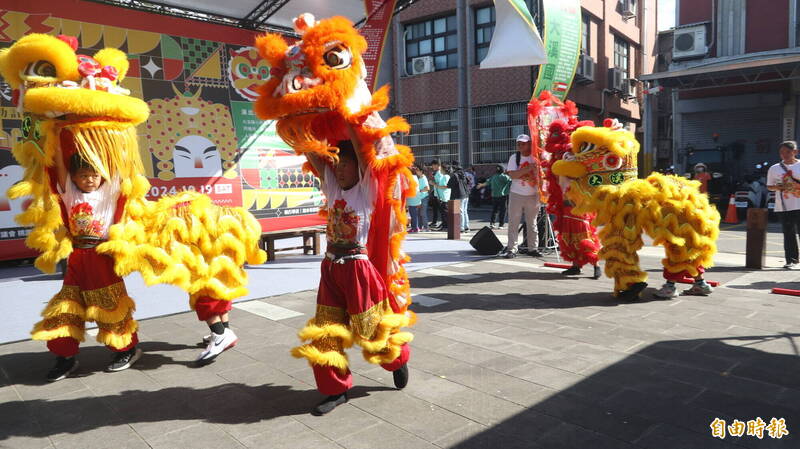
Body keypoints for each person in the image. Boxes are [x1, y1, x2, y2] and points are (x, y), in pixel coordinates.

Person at [297, 133, 411, 416]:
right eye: (337, 164)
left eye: (345, 164)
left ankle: (397, 360)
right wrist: (298, 127)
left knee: (371, 329)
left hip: (359, 270)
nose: (340, 169)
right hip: (331, 269)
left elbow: (364, 157)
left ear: (358, 168)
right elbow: (314, 157)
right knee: (325, 331)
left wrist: (350, 114)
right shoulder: (333, 188)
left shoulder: (367, 190)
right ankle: (336, 389)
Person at [32, 147, 141, 381]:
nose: (90, 180)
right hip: (77, 256)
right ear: (73, 177)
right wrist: (55, 129)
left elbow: (119, 163)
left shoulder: (110, 191)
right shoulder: (69, 192)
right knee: (66, 306)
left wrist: (116, 137)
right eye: (83, 175)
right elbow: (60, 166)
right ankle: (65, 356)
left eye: (94, 175)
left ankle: (126, 349)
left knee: (109, 304)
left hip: (102, 256)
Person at [501, 134, 542, 258]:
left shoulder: (536, 157)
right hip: (516, 194)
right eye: (518, 143)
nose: (520, 145)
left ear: (530, 143)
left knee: (532, 222)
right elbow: (513, 175)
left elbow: (540, 175)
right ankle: (512, 249)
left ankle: (533, 248)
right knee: (514, 222)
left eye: (523, 143)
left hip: (533, 195)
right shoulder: (515, 157)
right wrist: (528, 169)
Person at [767, 140, 800, 270]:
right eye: (781, 152)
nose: (784, 155)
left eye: (788, 152)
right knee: (788, 233)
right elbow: (769, 187)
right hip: (784, 206)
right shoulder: (774, 168)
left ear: (795, 152)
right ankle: (791, 260)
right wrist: (778, 187)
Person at [477, 165, 511, 229]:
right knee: (502, 210)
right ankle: (501, 225)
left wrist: (481, 185)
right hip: (502, 196)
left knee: (494, 210)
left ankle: (492, 223)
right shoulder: (504, 177)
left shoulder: (493, 177)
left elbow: (487, 182)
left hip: (494, 196)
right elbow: (511, 181)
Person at [447, 163, 470, 232]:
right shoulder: (464, 174)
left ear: (454, 169)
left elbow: (449, 185)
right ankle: (467, 227)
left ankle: (461, 228)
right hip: (466, 195)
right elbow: (468, 182)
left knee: (460, 212)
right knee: (465, 211)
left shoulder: (454, 175)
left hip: (459, 195)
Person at [431, 161, 451, 231]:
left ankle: (445, 226)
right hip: (442, 196)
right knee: (443, 212)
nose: (440, 170)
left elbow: (445, 186)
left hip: (444, 197)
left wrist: (434, 184)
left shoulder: (446, 176)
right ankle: (444, 225)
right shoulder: (445, 176)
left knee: (444, 212)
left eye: (441, 169)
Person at [411, 164, 430, 232]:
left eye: (417, 170)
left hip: (424, 197)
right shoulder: (420, 177)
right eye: (416, 170)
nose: (416, 171)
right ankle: (420, 227)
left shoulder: (423, 178)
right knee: (419, 213)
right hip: (421, 197)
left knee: (423, 213)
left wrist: (420, 191)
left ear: (421, 171)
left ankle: (426, 227)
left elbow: (427, 188)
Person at [427, 160, 442, 228]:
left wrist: (432, 183)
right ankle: (434, 222)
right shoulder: (437, 173)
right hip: (436, 193)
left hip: (439, 194)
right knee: (435, 208)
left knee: (441, 209)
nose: (432, 167)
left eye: (433, 165)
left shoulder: (439, 173)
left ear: (436, 165)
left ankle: (444, 223)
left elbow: (439, 184)